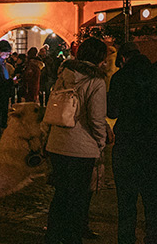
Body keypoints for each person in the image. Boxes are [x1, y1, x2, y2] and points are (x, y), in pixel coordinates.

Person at [44, 36, 110, 244]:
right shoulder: (96, 81)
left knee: (61, 196)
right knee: (78, 200)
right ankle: (72, 239)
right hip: (81, 148)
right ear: (98, 58)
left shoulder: (64, 73)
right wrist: (100, 142)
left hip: (57, 144)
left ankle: (53, 238)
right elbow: (97, 118)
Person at [109, 41, 157, 244]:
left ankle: (126, 239)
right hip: (152, 142)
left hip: (127, 142)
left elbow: (112, 111)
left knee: (126, 199)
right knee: (152, 194)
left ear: (123, 58)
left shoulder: (120, 77)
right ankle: (154, 237)